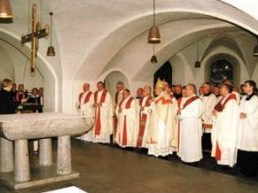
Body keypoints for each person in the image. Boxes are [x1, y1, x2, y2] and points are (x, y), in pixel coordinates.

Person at [211, 83, 239, 167]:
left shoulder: (231, 101)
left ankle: (226, 164)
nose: (220, 90)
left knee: (226, 144)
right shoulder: (223, 99)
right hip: (220, 126)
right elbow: (217, 109)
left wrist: (217, 114)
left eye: (222, 88)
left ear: (227, 90)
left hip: (227, 129)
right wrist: (215, 113)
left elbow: (228, 115)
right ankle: (221, 162)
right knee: (219, 143)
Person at [147, 78, 176, 157]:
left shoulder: (165, 97)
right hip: (157, 121)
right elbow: (153, 108)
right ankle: (157, 151)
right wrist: (151, 106)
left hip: (162, 122)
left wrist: (152, 104)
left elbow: (163, 110)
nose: (154, 91)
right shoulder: (157, 97)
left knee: (161, 136)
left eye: (155, 89)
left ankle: (162, 153)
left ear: (160, 89)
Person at [177, 83, 203, 164]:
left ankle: (193, 160)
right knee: (186, 142)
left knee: (192, 143)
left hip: (192, 126)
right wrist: (180, 113)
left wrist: (182, 112)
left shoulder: (197, 100)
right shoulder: (188, 100)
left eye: (187, 89)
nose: (185, 91)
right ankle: (186, 158)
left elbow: (196, 113)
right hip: (186, 124)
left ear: (192, 90)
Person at [237, 80, 258, 176]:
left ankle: (251, 170)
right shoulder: (244, 98)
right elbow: (239, 109)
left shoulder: (256, 99)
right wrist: (240, 114)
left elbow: (255, 113)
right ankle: (243, 168)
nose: (244, 87)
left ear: (251, 87)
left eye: (246, 86)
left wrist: (247, 115)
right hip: (243, 126)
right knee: (243, 147)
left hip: (251, 126)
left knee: (251, 147)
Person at [200, 82, 217, 153]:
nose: (205, 88)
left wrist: (205, 118)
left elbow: (212, 109)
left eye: (206, 87)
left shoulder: (212, 97)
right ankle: (203, 148)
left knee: (208, 133)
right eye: (203, 87)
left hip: (209, 119)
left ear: (209, 88)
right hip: (201, 118)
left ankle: (209, 150)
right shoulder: (201, 96)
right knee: (202, 134)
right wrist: (200, 116)